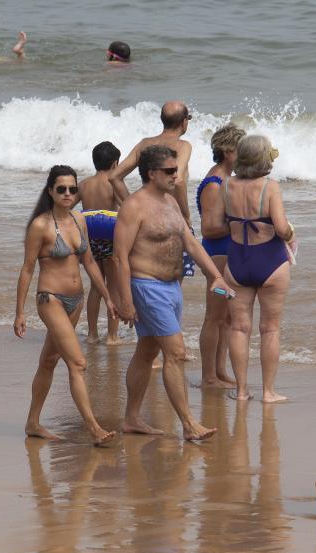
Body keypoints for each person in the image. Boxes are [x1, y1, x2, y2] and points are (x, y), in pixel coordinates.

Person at [114, 145, 234, 441]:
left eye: (176, 170)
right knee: (176, 353)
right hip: (146, 286)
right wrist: (125, 301)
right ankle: (189, 423)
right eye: (169, 171)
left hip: (171, 287)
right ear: (151, 173)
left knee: (147, 351)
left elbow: (191, 243)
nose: (175, 175)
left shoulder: (170, 201)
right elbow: (119, 256)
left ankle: (131, 418)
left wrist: (215, 276)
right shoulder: (134, 206)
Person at [14, 165, 118, 445]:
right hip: (51, 299)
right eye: (62, 189)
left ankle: (33, 423)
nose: (69, 194)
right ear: (51, 191)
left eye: (73, 189)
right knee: (78, 363)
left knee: (49, 361)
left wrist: (107, 296)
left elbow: (89, 262)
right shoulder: (40, 226)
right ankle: (94, 428)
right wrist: (20, 312)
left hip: (76, 301)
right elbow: (27, 269)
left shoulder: (79, 220)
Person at [217, 135, 295, 402]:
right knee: (270, 329)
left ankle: (240, 391)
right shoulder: (270, 187)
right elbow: (282, 229)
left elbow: (219, 223)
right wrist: (292, 232)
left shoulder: (226, 185)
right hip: (270, 260)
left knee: (239, 328)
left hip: (237, 260)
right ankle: (268, 392)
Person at [109, 100, 195, 278]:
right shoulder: (183, 146)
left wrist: (132, 206)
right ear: (184, 122)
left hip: (146, 220)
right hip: (172, 219)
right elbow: (178, 180)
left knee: (146, 275)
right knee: (172, 280)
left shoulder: (144, 144)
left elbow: (114, 177)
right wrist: (185, 215)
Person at [197, 124, 246, 389]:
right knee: (214, 317)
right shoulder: (214, 183)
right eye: (241, 149)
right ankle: (208, 377)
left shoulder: (228, 179)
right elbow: (208, 227)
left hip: (228, 252)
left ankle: (220, 370)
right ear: (228, 151)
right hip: (216, 254)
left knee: (227, 318)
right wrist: (241, 224)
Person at [79, 141, 122, 344]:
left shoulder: (84, 184)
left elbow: (68, 205)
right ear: (115, 163)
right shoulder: (114, 183)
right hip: (109, 234)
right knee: (113, 287)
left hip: (90, 236)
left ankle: (92, 334)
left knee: (96, 286)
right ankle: (112, 336)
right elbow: (128, 206)